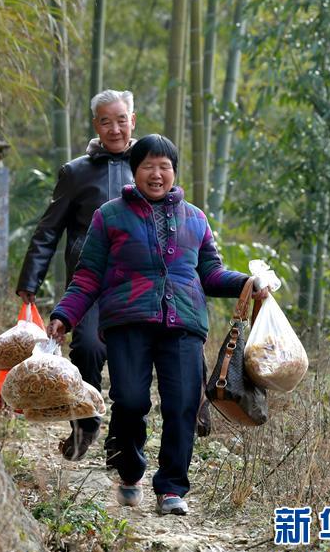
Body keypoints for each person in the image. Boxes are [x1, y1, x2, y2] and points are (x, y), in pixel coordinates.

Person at [46, 134, 269, 515]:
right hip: (127, 322)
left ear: (174, 172)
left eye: (164, 166)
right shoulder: (109, 215)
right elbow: (88, 275)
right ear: (135, 171)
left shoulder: (195, 218)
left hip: (183, 324)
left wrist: (247, 283)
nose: (157, 173)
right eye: (148, 165)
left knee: (182, 404)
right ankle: (129, 471)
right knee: (130, 400)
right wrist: (64, 315)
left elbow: (211, 274)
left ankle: (170, 489)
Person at [16, 89, 136, 461]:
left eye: (121, 120)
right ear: (95, 125)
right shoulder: (76, 172)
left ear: (133, 121)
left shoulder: (149, 165)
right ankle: (84, 424)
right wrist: (30, 279)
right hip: (90, 281)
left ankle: (122, 441)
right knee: (87, 346)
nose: (114, 129)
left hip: (139, 282)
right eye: (105, 121)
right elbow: (49, 229)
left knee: (129, 360)